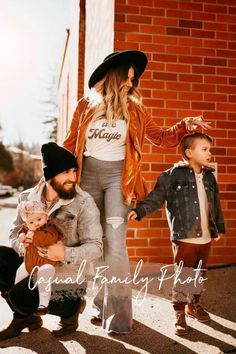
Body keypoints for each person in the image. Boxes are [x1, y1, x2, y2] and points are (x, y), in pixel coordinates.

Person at [63, 50, 211, 334]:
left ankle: (119, 318)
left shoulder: (137, 109)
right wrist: (57, 178)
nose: (131, 83)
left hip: (119, 179)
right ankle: (98, 305)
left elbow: (162, 138)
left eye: (134, 79)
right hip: (87, 177)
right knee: (92, 244)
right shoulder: (86, 105)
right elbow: (71, 144)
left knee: (115, 245)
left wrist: (184, 126)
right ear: (113, 74)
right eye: (127, 77)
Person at [0, 142, 103, 341]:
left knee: (21, 295)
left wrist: (65, 253)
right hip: (33, 266)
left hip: (65, 279)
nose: (73, 178)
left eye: (74, 171)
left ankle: (71, 311)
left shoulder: (84, 202)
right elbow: (13, 233)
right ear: (50, 175)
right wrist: (24, 245)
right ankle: (24, 318)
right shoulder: (27, 198)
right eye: (66, 172)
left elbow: (96, 247)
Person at [128, 132, 225, 336]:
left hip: (206, 236)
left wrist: (219, 227)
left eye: (210, 150)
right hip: (185, 237)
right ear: (189, 152)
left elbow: (214, 203)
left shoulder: (209, 175)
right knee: (183, 276)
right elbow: (156, 197)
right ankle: (179, 312)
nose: (209, 153)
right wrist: (140, 210)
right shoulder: (172, 175)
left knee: (199, 274)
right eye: (205, 149)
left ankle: (194, 304)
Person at [15, 200, 62, 316]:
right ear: (27, 223)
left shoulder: (50, 228)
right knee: (20, 272)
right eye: (31, 222)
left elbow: (50, 238)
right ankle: (15, 292)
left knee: (44, 278)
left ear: (46, 216)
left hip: (46, 262)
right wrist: (21, 236)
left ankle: (43, 305)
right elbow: (22, 232)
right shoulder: (27, 229)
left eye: (39, 219)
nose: (36, 223)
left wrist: (35, 235)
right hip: (30, 262)